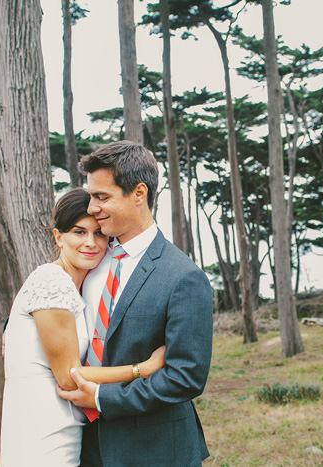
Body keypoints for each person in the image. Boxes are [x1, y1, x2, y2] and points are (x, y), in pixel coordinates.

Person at [57, 141, 214, 466]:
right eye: (91, 197)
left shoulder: (183, 276)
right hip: (83, 445)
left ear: (139, 193)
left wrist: (101, 398)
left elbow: (186, 378)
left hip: (153, 449)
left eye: (102, 197)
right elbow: (54, 297)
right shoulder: (90, 254)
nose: (93, 207)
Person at [0, 188, 166, 467]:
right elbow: (68, 377)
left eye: (99, 233)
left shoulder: (77, 288)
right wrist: (141, 369)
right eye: (79, 232)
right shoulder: (51, 281)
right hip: (42, 432)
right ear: (58, 237)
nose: (91, 242)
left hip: (65, 427)